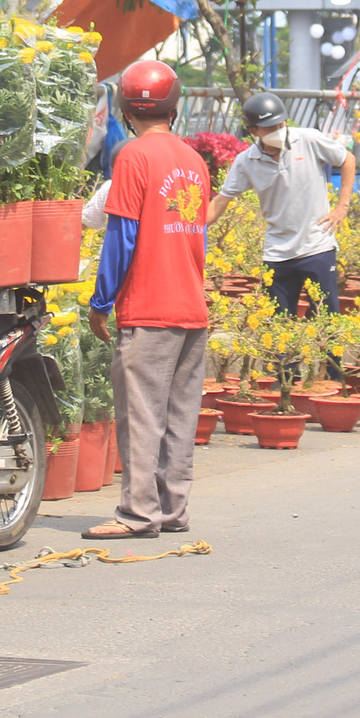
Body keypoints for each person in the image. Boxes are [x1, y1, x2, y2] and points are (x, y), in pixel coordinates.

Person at [85, 59, 213, 539]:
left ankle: (139, 514)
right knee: (179, 417)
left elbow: (121, 237)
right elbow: (195, 236)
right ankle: (172, 510)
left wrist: (101, 301)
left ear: (126, 106)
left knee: (140, 416)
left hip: (149, 307)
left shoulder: (133, 157)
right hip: (190, 307)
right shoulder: (194, 161)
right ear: (175, 106)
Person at [207, 91, 356, 323]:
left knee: (328, 323)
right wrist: (191, 229)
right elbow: (221, 201)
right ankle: (285, 362)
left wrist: (342, 207)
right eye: (269, 127)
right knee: (279, 327)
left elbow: (347, 159)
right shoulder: (246, 161)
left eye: (280, 123)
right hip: (277, 252)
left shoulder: (308, 139)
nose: (278, 130)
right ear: (254, 130)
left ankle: (330, 362)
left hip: (317, 245)